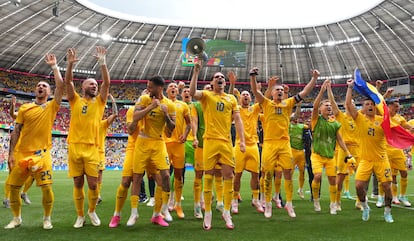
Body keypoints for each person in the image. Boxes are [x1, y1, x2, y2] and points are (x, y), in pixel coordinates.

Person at [4, 53, 64, 229]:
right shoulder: (25, 108)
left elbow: (61, 86)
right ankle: (16, 218)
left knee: (46, 188)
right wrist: (11, 154)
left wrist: (54, 66)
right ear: (35, 91)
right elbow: (16, 131)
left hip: (42, 154)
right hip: (22, 154)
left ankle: (47, 218)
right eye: (38, 85)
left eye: (44, 86)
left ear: (49, 92)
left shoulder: (52, 106)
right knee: (14, 188)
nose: (40, 87)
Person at [249, 67, 318, 219]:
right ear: (272, 93)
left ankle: (289, 203)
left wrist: (313, 79)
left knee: (287, 173)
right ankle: (267, 204)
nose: (279, 91)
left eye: (281, 89)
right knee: (267, 174)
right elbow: (256, 91)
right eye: (277, 89)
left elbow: (304, 93)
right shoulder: (266, 104)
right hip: (269, 144)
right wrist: (253, 76)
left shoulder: (288, 104)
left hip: (284, 144)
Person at [190, 60, 245, 230]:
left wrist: (241, 140)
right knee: (208, 176)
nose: (220, 78)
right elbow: (192, 93)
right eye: (216, 77)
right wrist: (196, 72)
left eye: (222, 77)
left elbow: (238, 120)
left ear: (225, 83)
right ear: (212, 83)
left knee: (229, 175)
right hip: (210, 141)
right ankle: (208, 214)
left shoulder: (231, 99)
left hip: (226, 142)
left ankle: (226, 212)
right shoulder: (206, 96)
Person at [65, 47, 111, 228]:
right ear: (83, 87)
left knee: (93, 185)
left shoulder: (100, 102)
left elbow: (106, 84)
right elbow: (68, 82)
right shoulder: (75, 100)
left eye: (95, 84)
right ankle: (79, 216)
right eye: (91, 84)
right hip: (74, 146)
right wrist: (69, 65)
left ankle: (91, 211)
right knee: (77, 183)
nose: (95, 86)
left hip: (92, 148)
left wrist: (102, 63)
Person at [129, 75, 176, 227]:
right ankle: (134, 213)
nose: (148, 89)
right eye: (148, 86)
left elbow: (172, 127)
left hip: (158, 142)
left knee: (166, 176)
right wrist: (150, 107)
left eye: (151, 87)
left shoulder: (169, 104)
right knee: (136, 177)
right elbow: (134, 117)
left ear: (159, 88)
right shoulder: (144, 100)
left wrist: (166, 115)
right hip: (142, 141)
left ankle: (160, 211)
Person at [345, 78, 394, 223]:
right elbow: (348, 104)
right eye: (367, 104)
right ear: (363, 107)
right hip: (365, 160)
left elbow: (381, 103)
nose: (370, 106)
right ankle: (365, 207)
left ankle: (387, 212)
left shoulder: (382, 120)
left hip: (381, 159)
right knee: (359, 186)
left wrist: (380, 94)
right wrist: (350, 88)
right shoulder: (359, 118)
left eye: (372, 104)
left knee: (387, 187)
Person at [310, 80, 353, 215]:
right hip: (317, 155)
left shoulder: (335, 124)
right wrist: (322, 91)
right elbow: (315, 106)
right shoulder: (316, 120)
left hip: (330, 156)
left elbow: (340, 139)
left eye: (330, 105)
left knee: (332, 180)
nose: (328, 107)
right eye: (326, 105)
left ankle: (333, 204)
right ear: (321, 109)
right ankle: (316, 200)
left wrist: (347, 152)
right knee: (317, 176)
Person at [164, 82, 191, 218]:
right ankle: (164, 205)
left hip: (179, 144)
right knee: (164, 175)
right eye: (171, 86)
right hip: (165, 144)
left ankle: (178, 205)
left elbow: (189, 124)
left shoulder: (183, 105)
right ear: (166, 90)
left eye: (175, 87)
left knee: (179, 175)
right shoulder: (162, 103)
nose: (173, 88)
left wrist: (185, 135)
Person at [380, 99, 413, 207]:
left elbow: (407, 127)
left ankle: (402, 196)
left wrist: (412, 129)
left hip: (398, 150)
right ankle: (386, 197)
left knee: (404, 173)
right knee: (388, 176)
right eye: (395, 106)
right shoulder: (383, 116)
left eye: (398, 106)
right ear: (389, 106)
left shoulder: (400, 118)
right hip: (385, 150)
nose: (397, 108)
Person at [96, 94, 118, 205]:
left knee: (99, 174)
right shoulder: (88, 122)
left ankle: (97, 195)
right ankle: (93, 194)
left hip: (99, 152)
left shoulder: (103, 124)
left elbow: (115, 114)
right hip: (88, 151)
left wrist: (112, 100)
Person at [289, 103, 308, 200]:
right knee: (290, 172)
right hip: (292, 151)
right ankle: (290, 191)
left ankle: (300, 189)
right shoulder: (288, 126)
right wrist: (298, 107)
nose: (296, 118)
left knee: (302, 172)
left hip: (301, 152)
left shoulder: (302, 126)